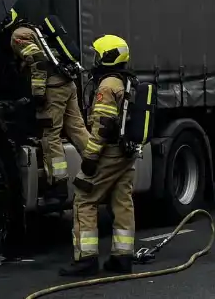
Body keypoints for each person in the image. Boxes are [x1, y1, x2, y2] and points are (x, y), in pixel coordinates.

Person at [60, 34, 138, 277]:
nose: (95, 59)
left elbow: (102, 127)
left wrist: (90, 159)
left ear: (108, 57)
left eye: (98, 54)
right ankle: (122, 257)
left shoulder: (107, 86)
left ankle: (85, 259)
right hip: (127, 152)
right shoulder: (128, 82)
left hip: (110, 153)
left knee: (84, 198)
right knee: (122, 200)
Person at [3, 8, 89, 200]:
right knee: (78, 129)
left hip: (52, 89)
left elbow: (38, 62)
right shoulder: (33, 29)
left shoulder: (19, 35)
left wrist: (39, 93)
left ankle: (58, 184)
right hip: (67, 84)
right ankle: (100, 170)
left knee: (50, 136)